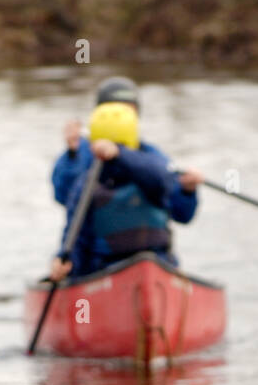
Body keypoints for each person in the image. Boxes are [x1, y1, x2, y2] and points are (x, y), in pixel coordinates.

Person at [49, 102, 204, 282]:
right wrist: (66, 261)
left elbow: (162, 180)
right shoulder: (85, 184)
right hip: (103, 271)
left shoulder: (151, 168)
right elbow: (76, 237)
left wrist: (119, 154)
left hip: (158, 263)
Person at [51, 75, 202, 222]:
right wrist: (73, 154)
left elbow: (182, 214)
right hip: (98, 245)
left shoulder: (151, 156)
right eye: (113, 109)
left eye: (127, 110)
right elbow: (63, 196)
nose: (119, 117)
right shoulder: (82, 152)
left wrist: (187, 191)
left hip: (147, 244)